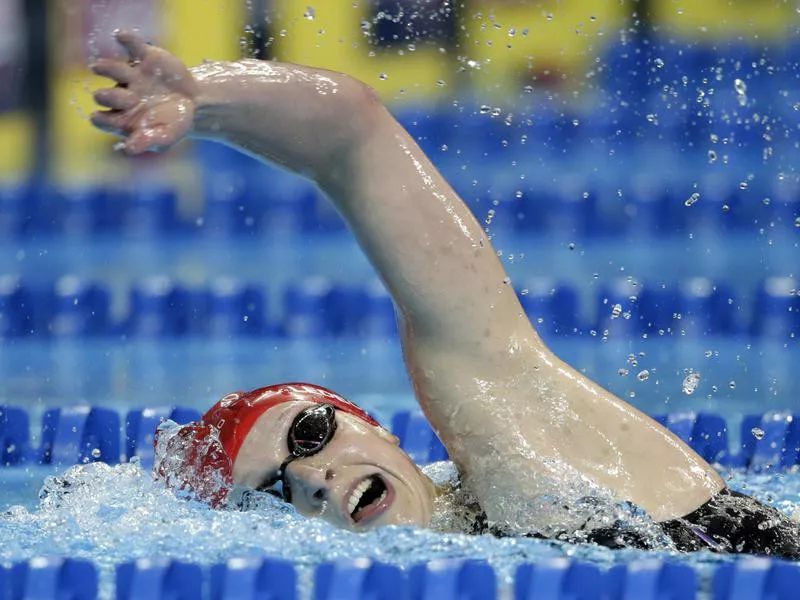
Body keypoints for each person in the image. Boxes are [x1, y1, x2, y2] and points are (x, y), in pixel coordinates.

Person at [90, 30, 800, 557]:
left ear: (374, 423)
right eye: (275, 492)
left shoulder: (517, 444)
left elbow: (351, 135)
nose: (311, 478)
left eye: (308, 433)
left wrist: (203, 96)